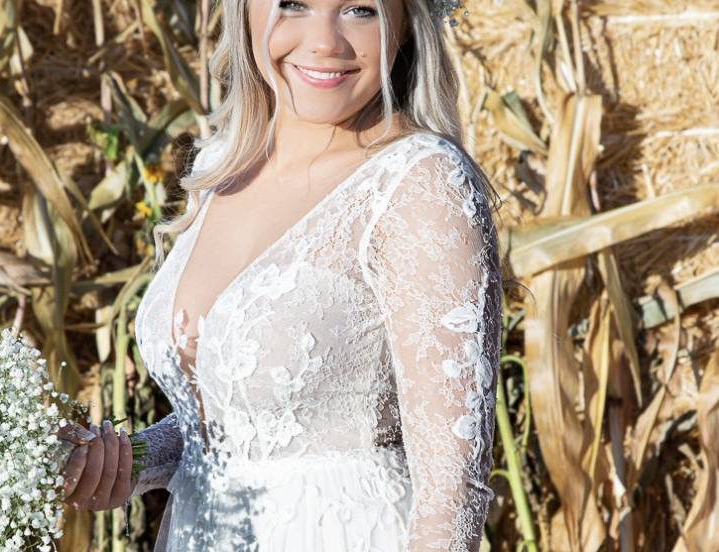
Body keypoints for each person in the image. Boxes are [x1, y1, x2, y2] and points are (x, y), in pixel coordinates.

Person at [60, 0, 503, 550]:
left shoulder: (418, 183)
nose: (325, 42)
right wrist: (129, 462)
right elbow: (247, 425)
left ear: (407, 23)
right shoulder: (223, 169)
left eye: (360, 10)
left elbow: (452, 494)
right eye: (293, 4)